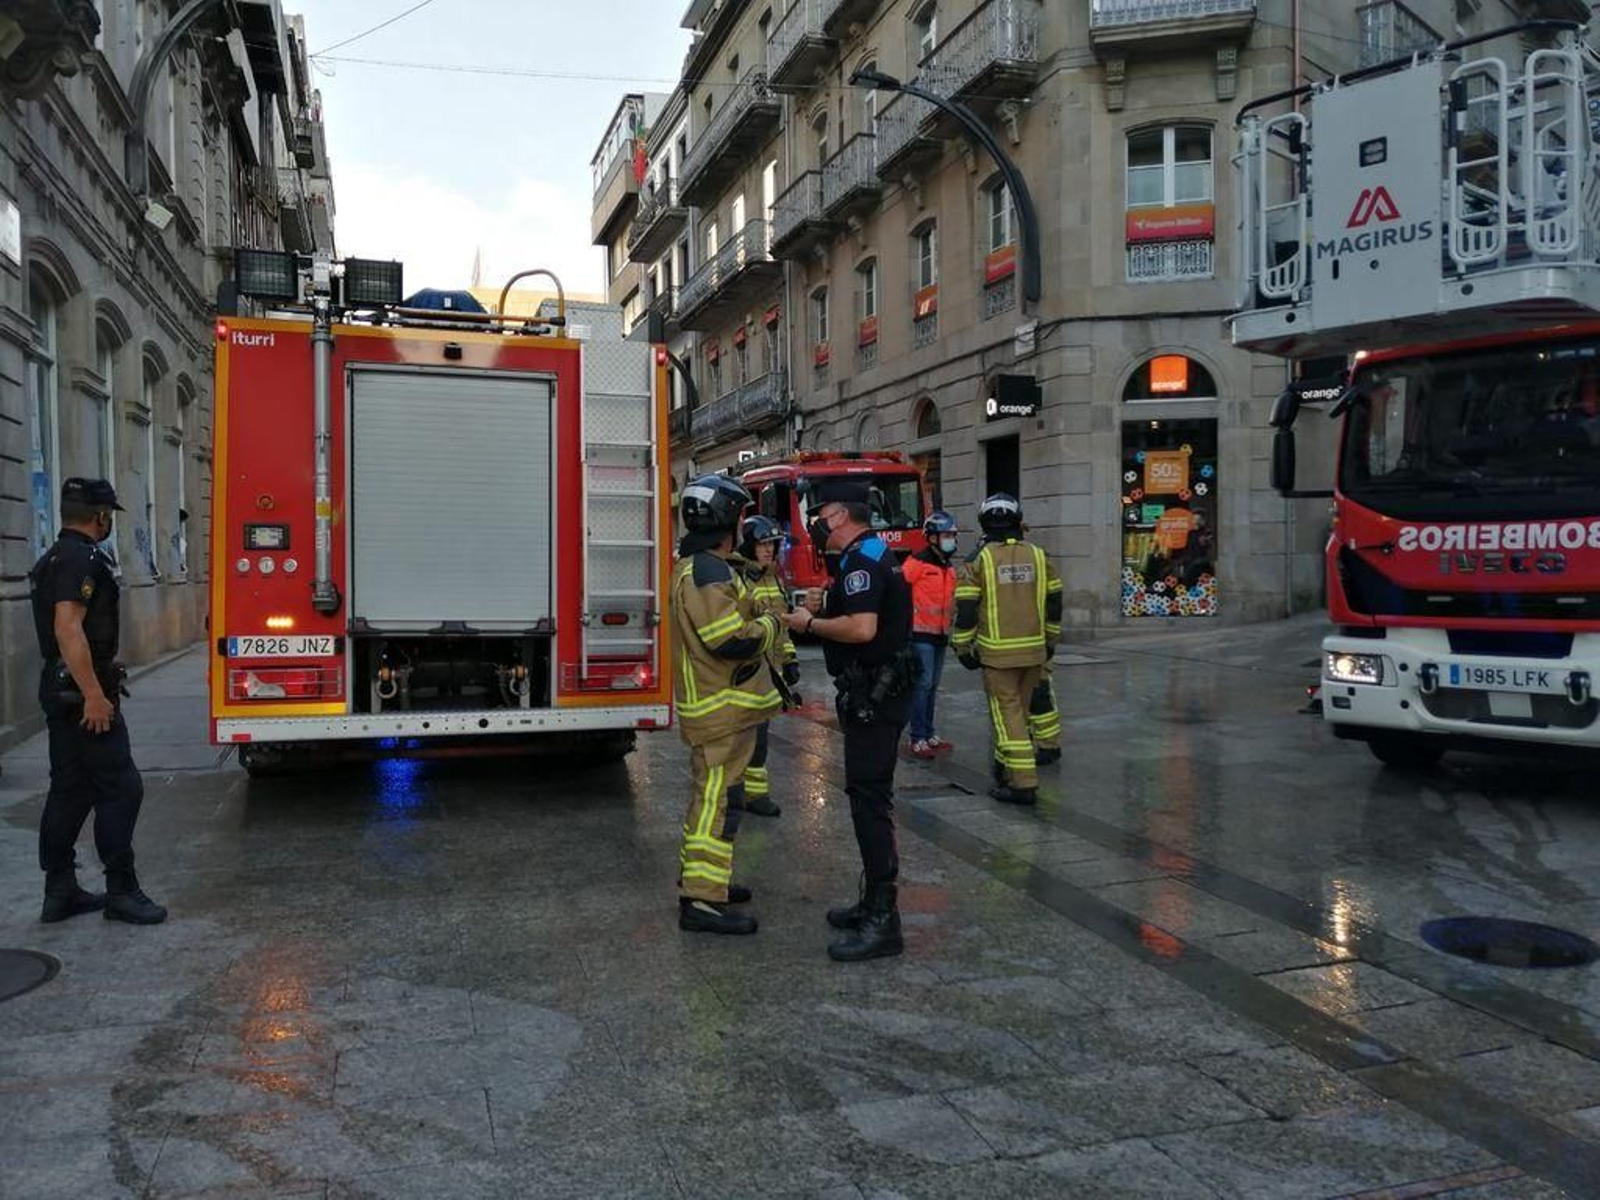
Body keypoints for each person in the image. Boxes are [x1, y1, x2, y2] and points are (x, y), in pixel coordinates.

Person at [781, 479, 914, 962]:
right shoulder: (870, 554)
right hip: (877, 692)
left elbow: (863, 628)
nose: (815, 524)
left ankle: (884, 920)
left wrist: (809, 624)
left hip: (876, 697)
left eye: (819, 514)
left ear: (838, 515)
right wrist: (824, 602)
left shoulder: (861, 561)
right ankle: (872, 901)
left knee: (869, 801)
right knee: (865, 796)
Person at [31, 478, 165, 925]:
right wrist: (94, 695)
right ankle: (122, 890)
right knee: (121, 788)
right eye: (110, 515)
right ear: (101, 516)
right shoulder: (81, 559)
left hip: (61, 689)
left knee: (70, 789)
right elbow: (67, 628)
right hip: (80, 695)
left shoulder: (52, 557)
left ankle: (60, 889)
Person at [670, 474, 783, 936]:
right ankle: (702, 901)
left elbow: (728, 616)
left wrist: (756, 608)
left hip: (719, 707)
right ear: (725, 523)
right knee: (716, 801)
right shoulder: (708, 572)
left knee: (717, 797)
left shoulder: (704, 566)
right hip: (721, 710)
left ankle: (707, 884)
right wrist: (774, 625)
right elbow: (729, 641)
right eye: (739, 516)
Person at [952, 493, 1062, 807]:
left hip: (997, 656)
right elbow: (1055, 602)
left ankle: (1023, 783)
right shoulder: (1040, 556)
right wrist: (1050, 641)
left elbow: (968, 609)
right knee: (1022, 712)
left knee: (1007, 716)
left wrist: (961, 647)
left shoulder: (979, 560)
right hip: (1035, 652)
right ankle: (1005, 768)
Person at [735, 514, 800, 818]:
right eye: (763, 545)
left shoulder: (772, 577)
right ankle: (743, 794)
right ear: (749, 546)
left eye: (773, 545)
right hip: (747, 672)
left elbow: (782, 625)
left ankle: (753, 794)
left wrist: (790, 660)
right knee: (746, 739)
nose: (770, 550)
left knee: (759, 739)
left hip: (769, 672)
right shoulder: (739, 578)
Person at [902, 511, 959, 758]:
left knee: (932, 685)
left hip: (940, 635)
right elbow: (899, 592)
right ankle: (918, 737)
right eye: (946, 535)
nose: (951, 540)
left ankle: (929, 731)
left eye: (953, 535)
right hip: (920, 634)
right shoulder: (917, 563)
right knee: (922, 685)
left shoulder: (948, 566)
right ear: (933, 538)